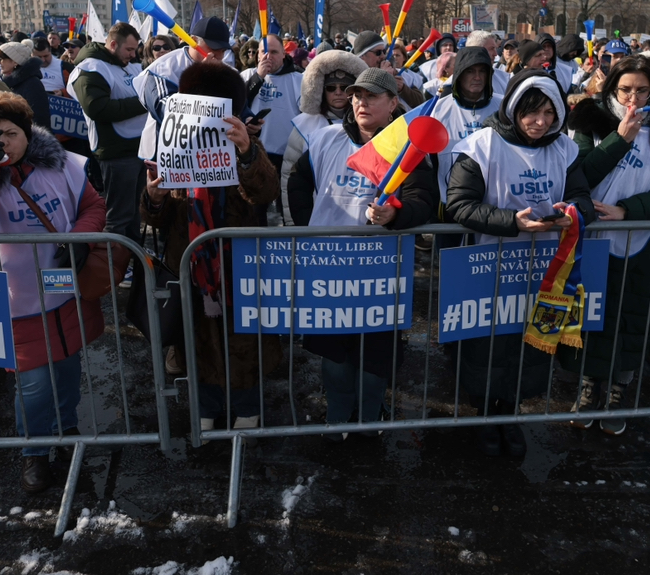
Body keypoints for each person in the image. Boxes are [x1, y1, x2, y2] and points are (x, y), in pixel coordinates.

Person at [0, 91, 107, 493]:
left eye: (11, 133)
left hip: (64, 290)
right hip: (15, 301)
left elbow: (93, 207)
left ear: (27, 133)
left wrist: (77, 240)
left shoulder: (63, 165)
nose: (4, 141)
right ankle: (33, 454)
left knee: (68, 370)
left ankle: (66, 432)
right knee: (33, 385)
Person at [443, 70, 592, 456]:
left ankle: (509, 412)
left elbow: (582, 198)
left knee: (529, 342)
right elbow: (458, 204)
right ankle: (483, 415)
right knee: (487, 344)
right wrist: (512, 222)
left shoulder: (564, 149)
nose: (539, 122)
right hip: (489, 265)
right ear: (513, 109)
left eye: (548, 112)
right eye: (530, 112)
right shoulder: (481, 146)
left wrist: (571, 213)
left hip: (542, 269)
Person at [288, 69, 436, 440]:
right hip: (329, 268)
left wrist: (396, 215)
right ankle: (337, 418)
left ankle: (370, 418)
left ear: (392, 104)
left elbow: (425, 200)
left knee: (374, 359)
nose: (360, 102)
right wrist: (313, 225)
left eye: (371, 96)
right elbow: (298, 180)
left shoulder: (408, 145)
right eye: (356, 96)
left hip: (380, 271)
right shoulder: (326, 138)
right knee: (334, 356)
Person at [141, 61, 281, 431]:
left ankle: (247, 410)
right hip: (189, 265)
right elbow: (156, 218)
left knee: (244, 338)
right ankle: (206, 407)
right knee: (196, 338)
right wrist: (153, 197)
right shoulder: (174, 146)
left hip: (239, 266)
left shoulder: (245, 143)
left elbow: (266, 191)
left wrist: (248, 152)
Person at [563, 55, 650, 434]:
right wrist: (620, 140)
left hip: (642, 238)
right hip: (595, 240)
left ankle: (619, 389)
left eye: (642, 90)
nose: (633, 98)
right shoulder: (591, 121)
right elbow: (582, 174)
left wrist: (629, 210)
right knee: (590, 316)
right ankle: (588, 386)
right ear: (612, 88)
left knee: (634, 317)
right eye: (625, 89)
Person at [69, 22, 147, 242]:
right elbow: (98, 108)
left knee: (134, 215)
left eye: (135, 50)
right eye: (129, 50)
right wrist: (144, 102)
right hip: (116, 152)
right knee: (119, 218)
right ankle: (112, 269)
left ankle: (135, 265)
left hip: (137, 149)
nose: (133, 55)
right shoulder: (91, 68)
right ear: (113, 44)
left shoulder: (126, 65)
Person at [280, 49, 365, 225]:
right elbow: (289, 177)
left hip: (358, 215)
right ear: (321, 90)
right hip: (315, 214)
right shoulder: (304, 126)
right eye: (331, 88)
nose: (338, 92)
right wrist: (292, 223)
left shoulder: (367, 125)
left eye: (345, 88)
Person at [132, 16, 235, 163]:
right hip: (167, 156)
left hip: (208, 156)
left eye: (223, 50)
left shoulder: (223, 68)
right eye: (213, 47)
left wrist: (247, 118)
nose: (219, 55)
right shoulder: (163, 68)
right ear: (193, 41)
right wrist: (201, 77)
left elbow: (235, 101)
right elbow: (167, 112)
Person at [241, 35, 304, 222]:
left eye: (274, 52)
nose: (268, 57)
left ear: (284, 54)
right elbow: (237, 102)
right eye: (263, 52)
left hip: (287, 156)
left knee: (288, 210)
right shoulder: (246, 76)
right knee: (255, 210)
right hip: (254, 154)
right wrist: (258, 78)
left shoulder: (298, 79)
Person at [432, 46, 502, 196]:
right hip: (450, 200)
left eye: (482, 71)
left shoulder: (504, 108)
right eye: (470, 71)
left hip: (494, 199)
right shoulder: (438, 110)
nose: (477, 77)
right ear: (459, 74)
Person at [0, 41, 51, 130]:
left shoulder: (33, 84)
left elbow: (40, 119)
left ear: (14, 62)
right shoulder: (6, 80)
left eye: (2, 59)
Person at [464, 30, 511, 96]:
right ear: (475, 50)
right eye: (491, 49)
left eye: (495, 49)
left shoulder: (505, 78)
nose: (495, 54)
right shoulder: (458, 80)